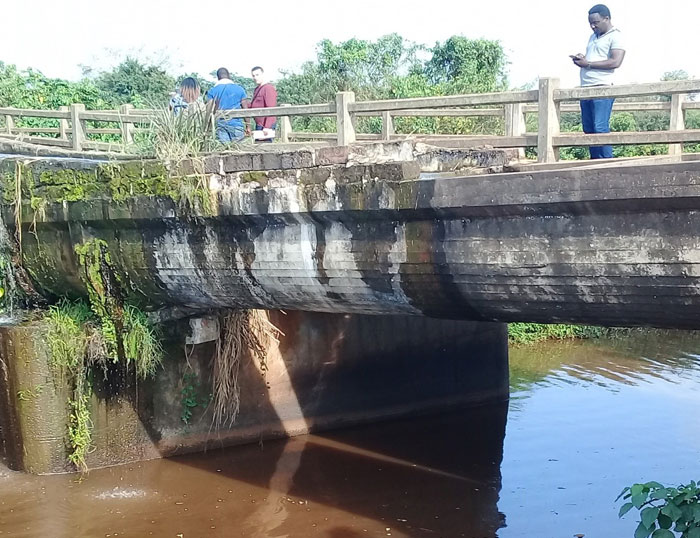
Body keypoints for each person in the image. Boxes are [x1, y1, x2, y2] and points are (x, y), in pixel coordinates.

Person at [571, 4, 626, 159]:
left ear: (606, 18)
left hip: (603, 87)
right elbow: (595, 58)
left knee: (600, 127)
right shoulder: (593, 37)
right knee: (588, 128)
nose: (592, 26)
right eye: (590, 23)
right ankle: (594, 162)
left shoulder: (616, 36)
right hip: (586, 88)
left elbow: (615, 62)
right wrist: (583, 59)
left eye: (595, 22)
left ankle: (606, 164)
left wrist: (588, 64)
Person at [206, 67, 249, 143]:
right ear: (229, 75)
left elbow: (209, 110)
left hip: (221, 125)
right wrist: (248, 126)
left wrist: (208, 128)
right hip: (237, 124)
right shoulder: (240, 89)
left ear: (218, 77)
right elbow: (245, 109)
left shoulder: (213, 91)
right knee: (240, 151)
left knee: (224, 151)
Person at [249, 66, 278, 142]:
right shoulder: (257, 89)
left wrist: (267, 127)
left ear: (263, 75)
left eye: (257, 75)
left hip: (265, 125)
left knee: (265, 148)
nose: (255, 78)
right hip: (259, 124)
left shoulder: (268, 88)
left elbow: (271, 108)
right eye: (253, 76)